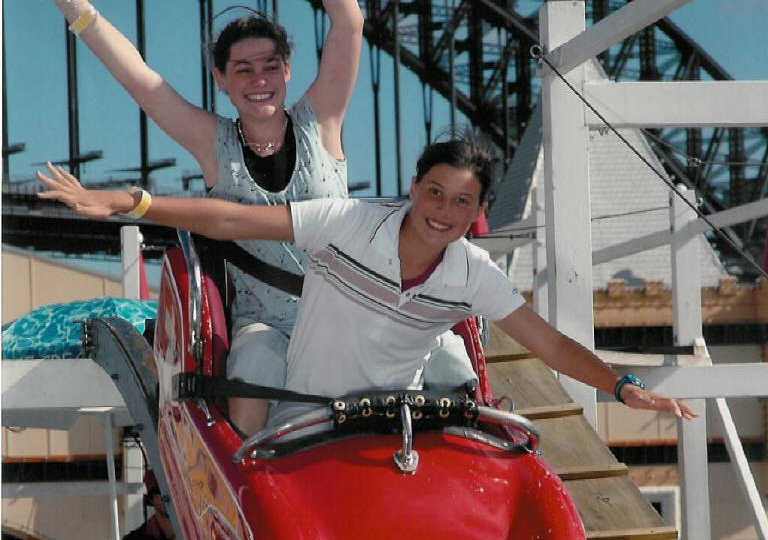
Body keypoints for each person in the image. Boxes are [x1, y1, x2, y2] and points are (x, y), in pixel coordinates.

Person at [15, 0, 364, 435]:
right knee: (253, 369)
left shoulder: (320, 121)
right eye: (242, 69)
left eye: (270, 66)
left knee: (434, 361)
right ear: (221, 80)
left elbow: (348, 24)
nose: (259, 80)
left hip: (347, 315)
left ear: (288, 71)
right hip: (266, 331)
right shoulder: (213, 143)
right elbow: (138, 78)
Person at [36, 142, 696, 423]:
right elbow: (232, 219)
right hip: (305, 415)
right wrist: (130, 203)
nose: (443, 212)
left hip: (395, 422)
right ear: (413, 187)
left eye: (461, 202)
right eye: (434, 192)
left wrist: (623, 387)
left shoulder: (472, 272)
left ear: (476, 211)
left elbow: (549, 345)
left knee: (453, 362)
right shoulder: (349, 223)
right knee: (256, 358)